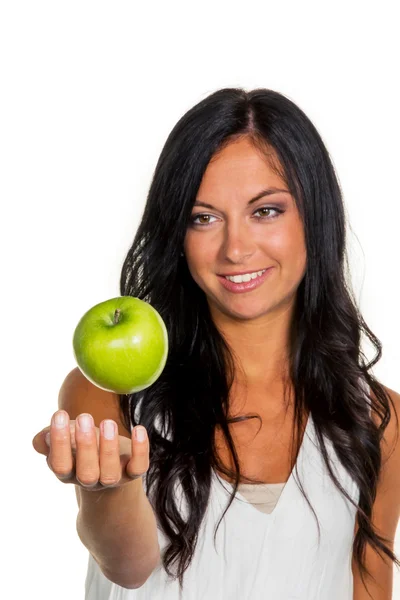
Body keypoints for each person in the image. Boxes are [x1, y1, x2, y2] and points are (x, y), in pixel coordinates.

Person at [32, 87, 400, 599]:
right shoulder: (110, 390)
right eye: (203, 218)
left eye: (265, 211)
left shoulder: (378, 417)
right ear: (177, 237)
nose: (235, 248)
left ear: (314, 218)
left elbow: (370, 589)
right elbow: (129, 567)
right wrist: (108, 487)